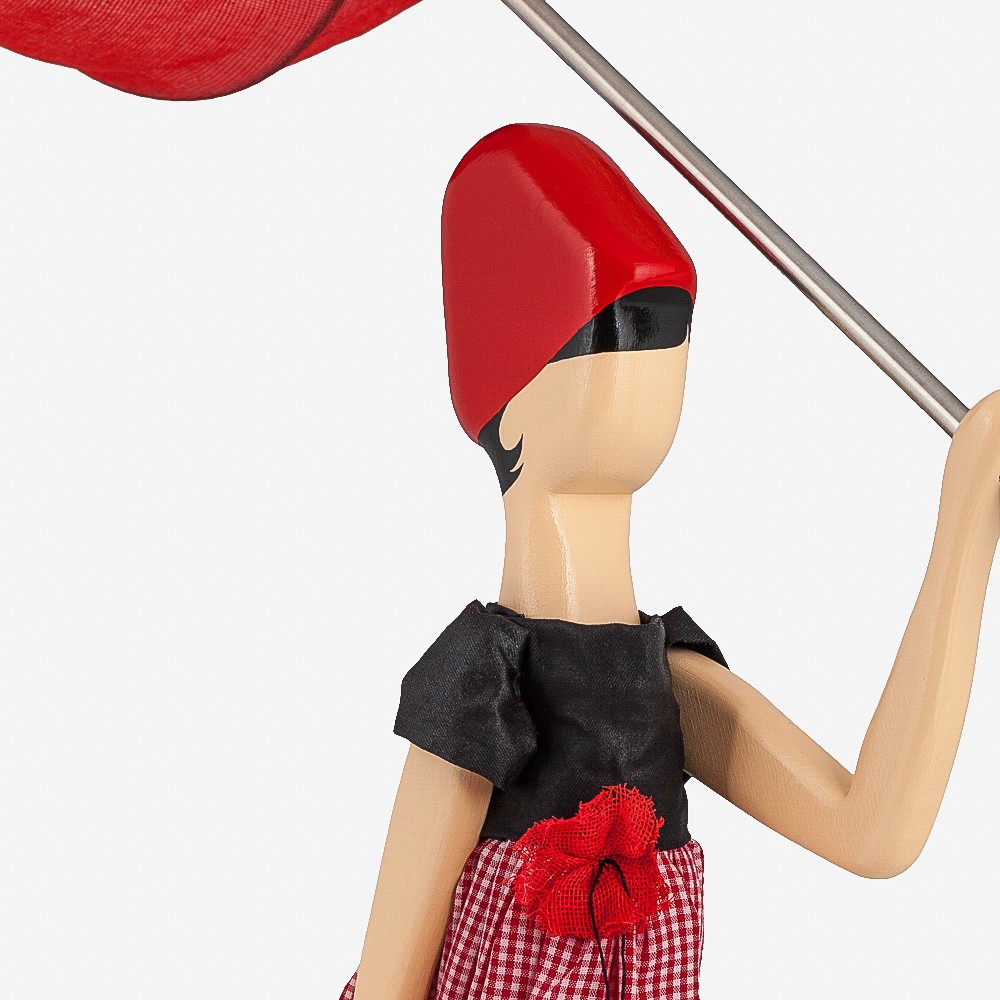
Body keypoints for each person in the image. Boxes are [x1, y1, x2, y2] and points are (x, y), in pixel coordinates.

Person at [340, 124, 1000, 1000]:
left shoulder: (665, 677)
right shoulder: (488, 687)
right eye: (611, 335)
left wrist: (967, 521)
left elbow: (872, 831)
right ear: (512, 412)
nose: (652, 365)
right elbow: (390, 981)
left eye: (670, 333)